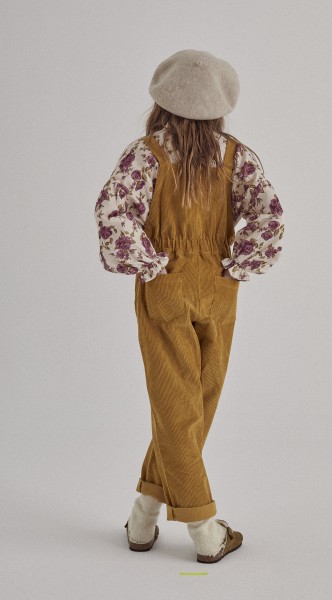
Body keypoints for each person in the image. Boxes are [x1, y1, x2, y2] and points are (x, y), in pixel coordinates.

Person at [94, 49, 284, 563]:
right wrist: (237, 264)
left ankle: (144, 516)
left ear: (163, 100)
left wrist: (152, 263)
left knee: (180, 408)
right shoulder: (236, 156)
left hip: (166, 288)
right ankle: (204, 527)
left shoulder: (147, 154)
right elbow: (270, 216)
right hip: (219, 288)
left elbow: (113, 211)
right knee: (193, 404)